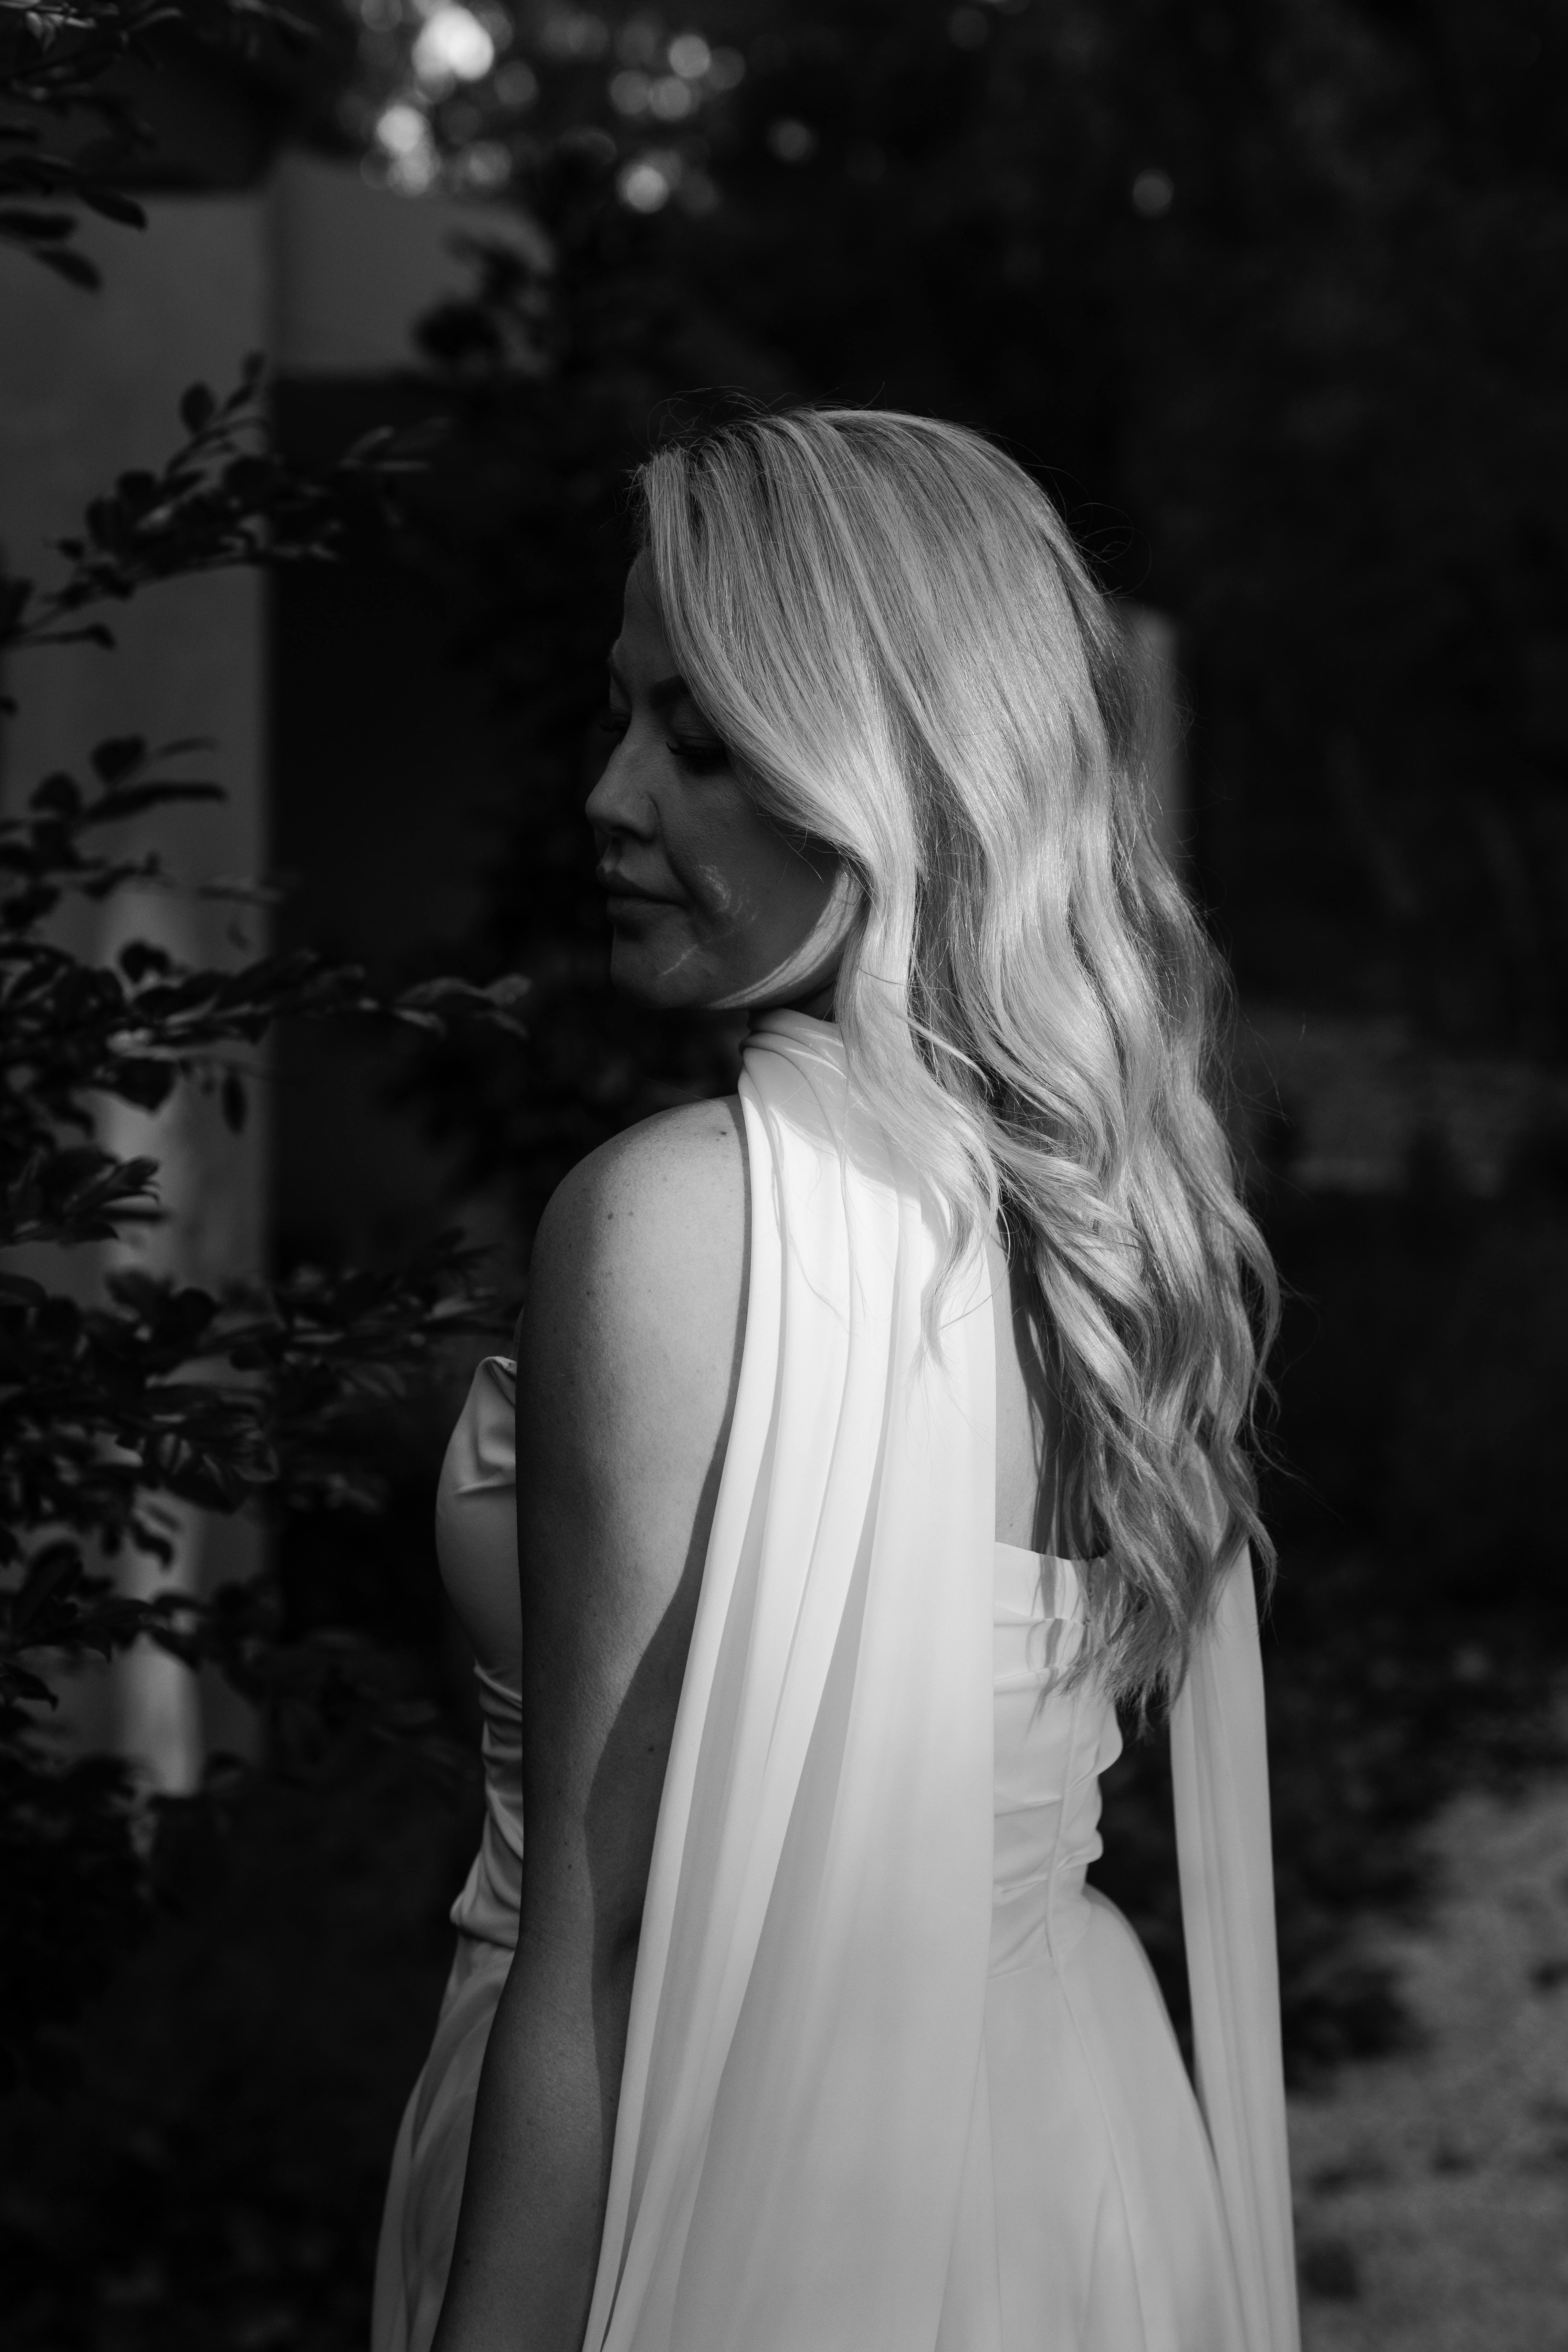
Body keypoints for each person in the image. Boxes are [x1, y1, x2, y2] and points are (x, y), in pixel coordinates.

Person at [372, 407, 1300, 2352]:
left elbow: (608, 1956)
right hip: (1066, 2160)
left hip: (707, 2194)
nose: (608, 795)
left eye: (701, 740)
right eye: (621, 717)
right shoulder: (1100, 1212)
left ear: (887, 770)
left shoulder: (672, 1228)